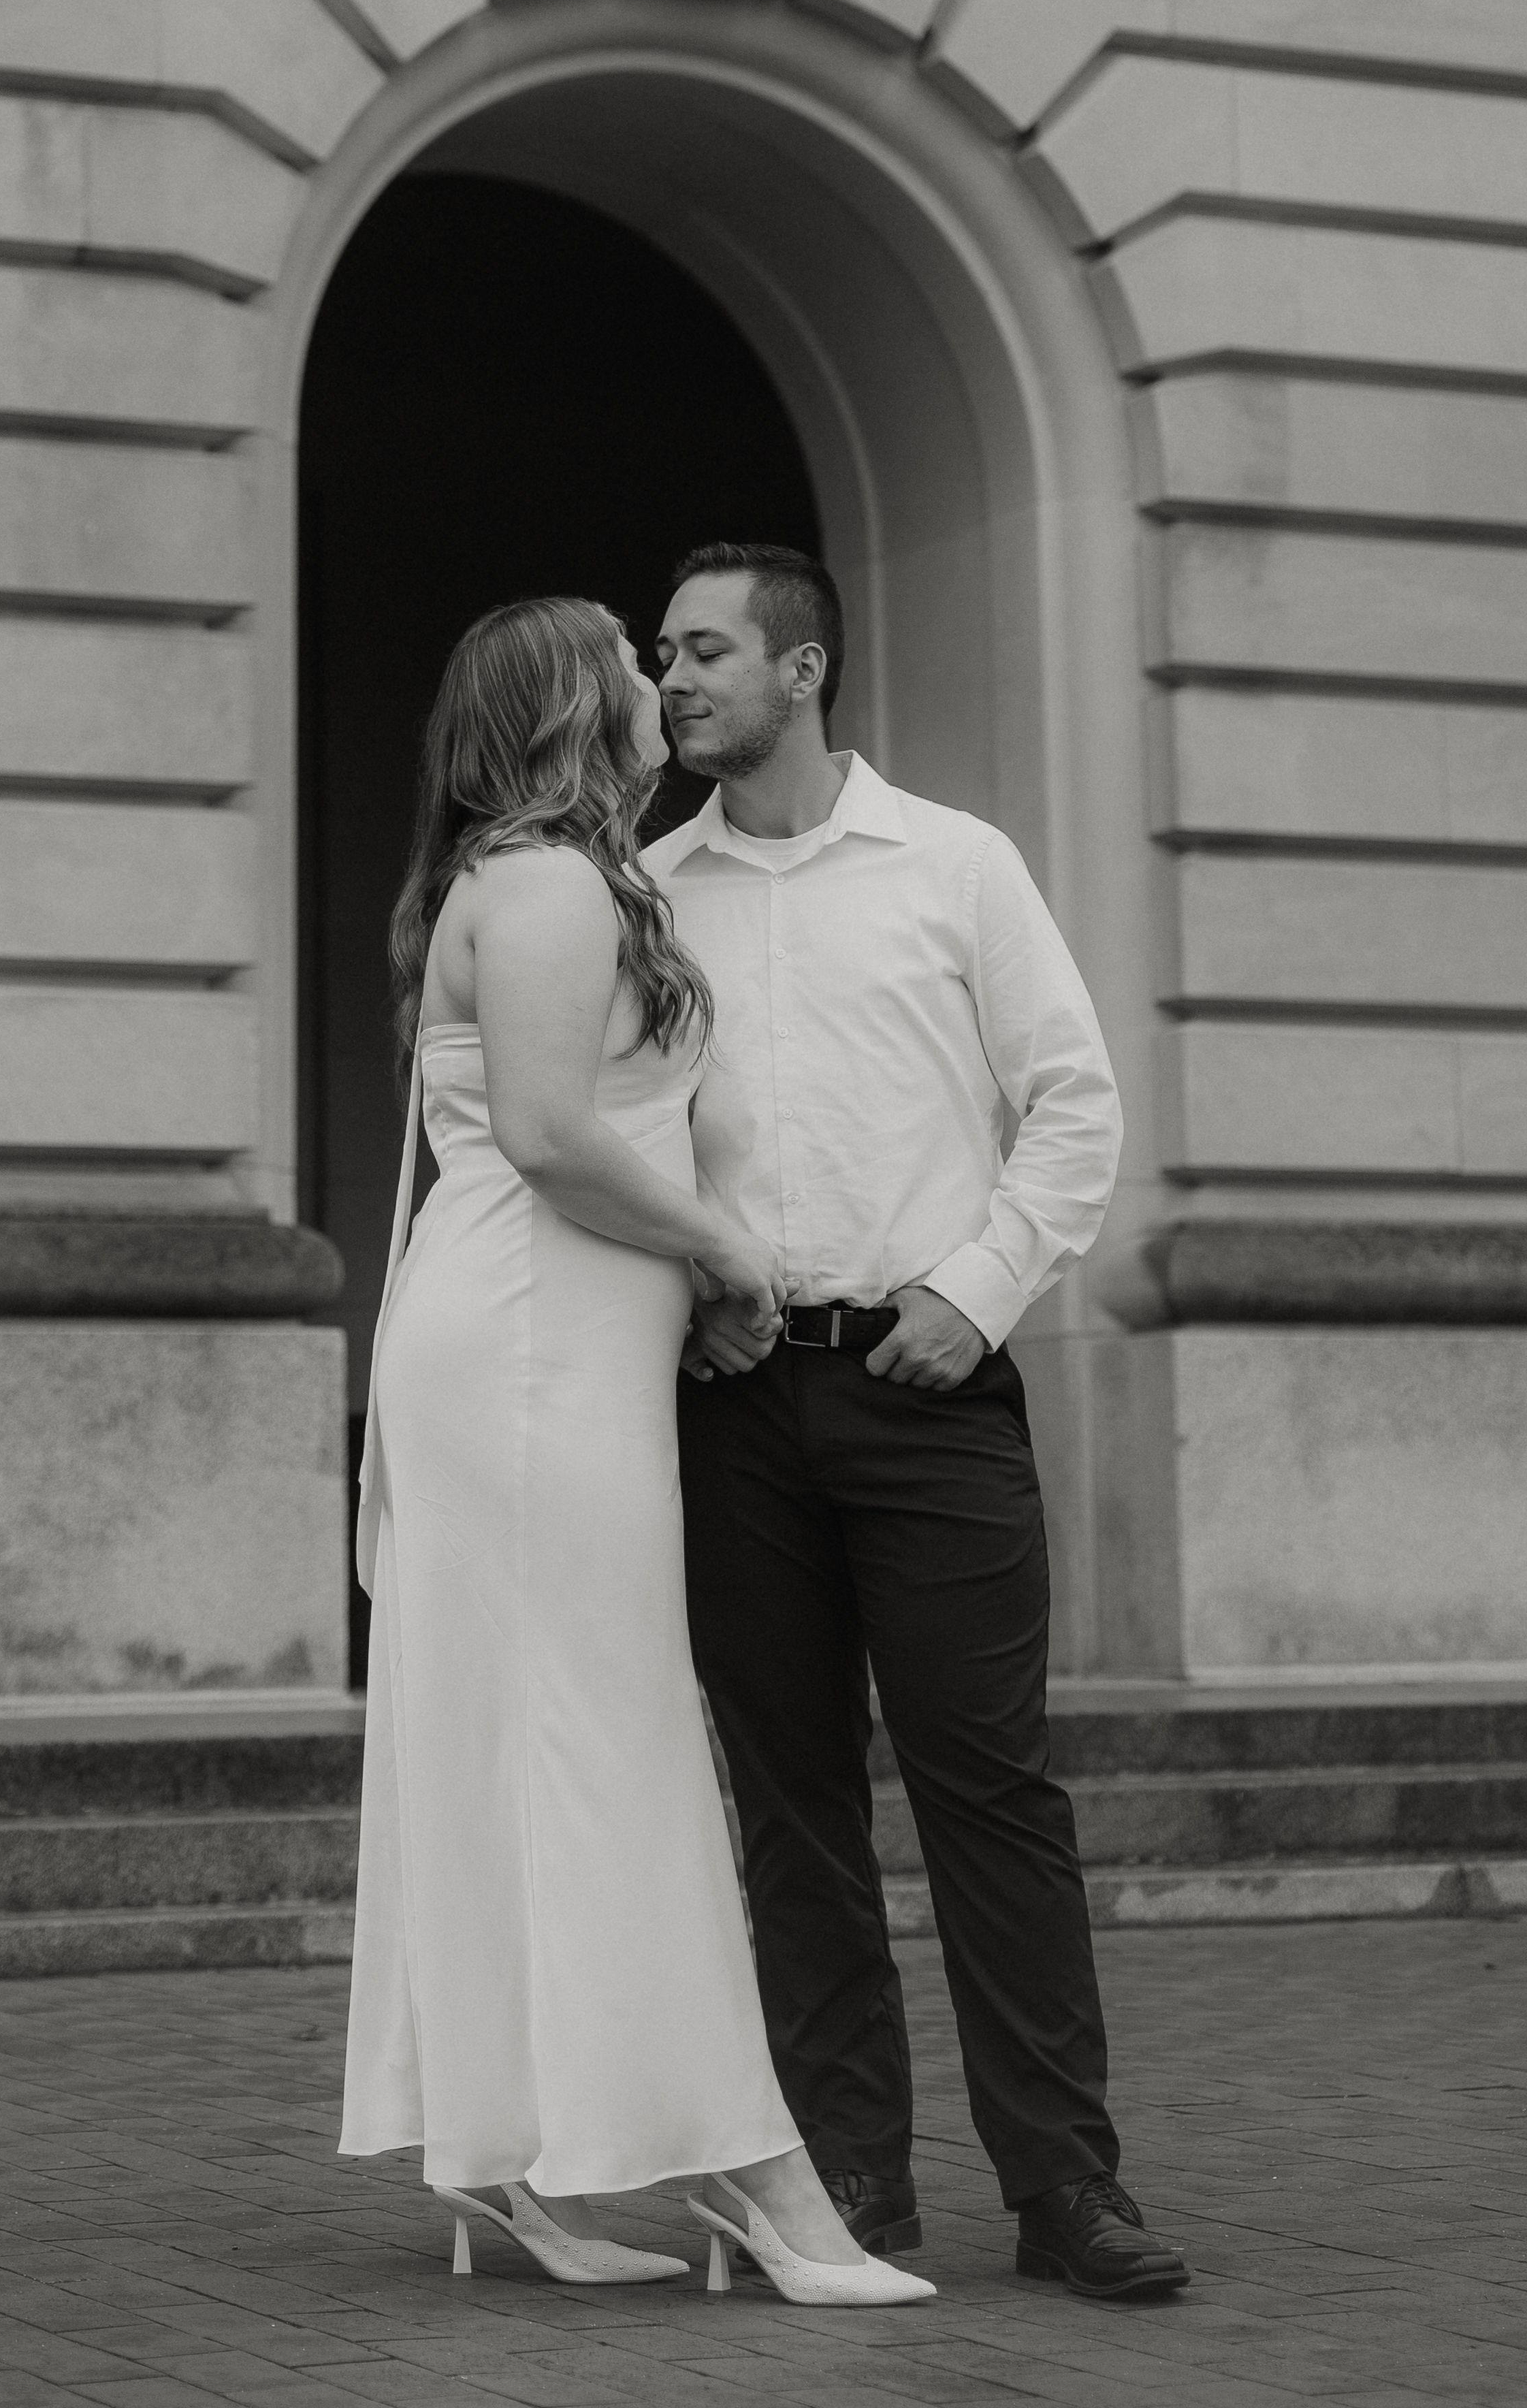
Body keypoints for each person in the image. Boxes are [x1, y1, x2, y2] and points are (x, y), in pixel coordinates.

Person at [337, 594, 938, 2309]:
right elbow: (544, 1134)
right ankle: (753, 2172)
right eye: (623, 655)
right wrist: (725, 1254)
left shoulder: (568, 881)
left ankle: (511, 2154)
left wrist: (694, 1268)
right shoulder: (539, 886)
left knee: (547, 1744)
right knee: (619, 1746)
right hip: (524, 1351)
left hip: (565, 1349)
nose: (652, 676)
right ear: (561, 706)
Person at [650, 542, 1193, 2305]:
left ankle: (1065, 2185)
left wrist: (976, 1291)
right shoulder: (648, 896)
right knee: (792, 1809)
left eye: (706, 651)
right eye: (666, 653)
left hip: (929, 1385)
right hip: (734, 1403)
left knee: (991, 1795)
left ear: (802, 669)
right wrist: (687, 1293)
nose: (674, 681)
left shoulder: (957, 865)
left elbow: (1075, 1106)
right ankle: (854, 2193)